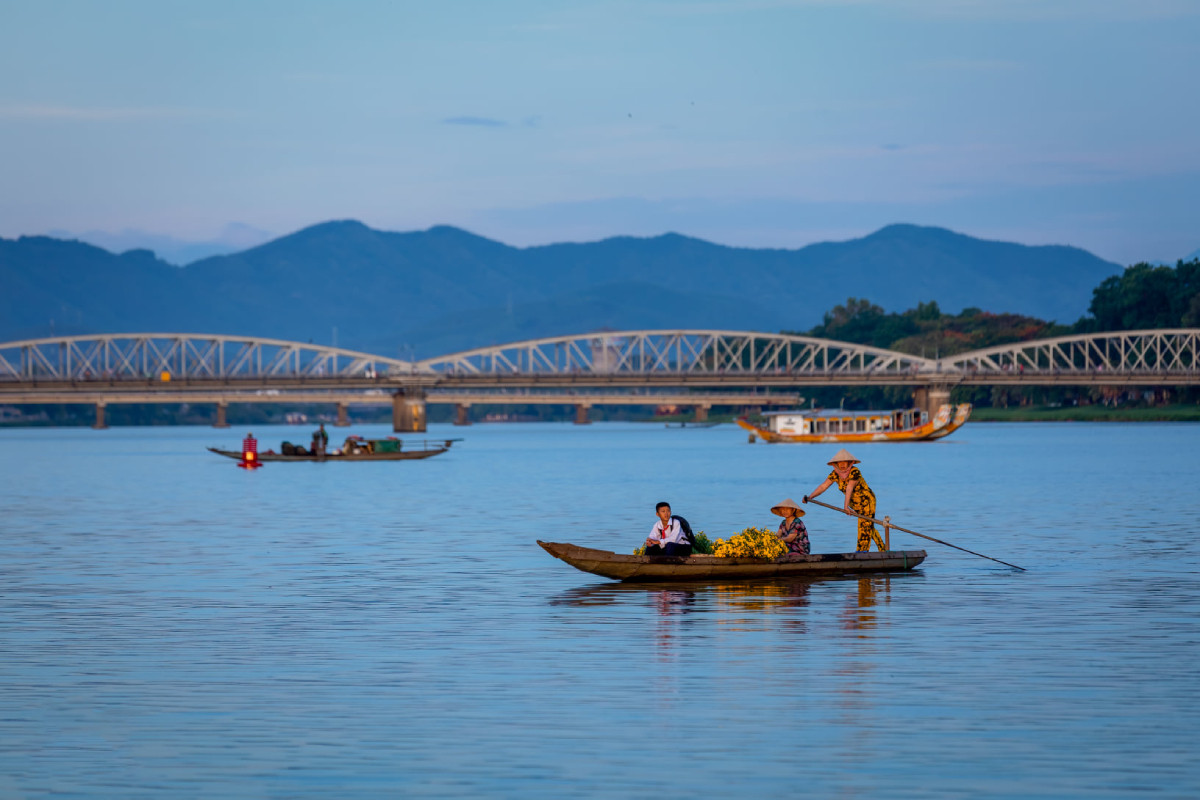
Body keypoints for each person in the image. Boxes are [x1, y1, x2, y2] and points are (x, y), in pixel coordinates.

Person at [805, 448, 885, 552]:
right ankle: (883, 549)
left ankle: (862, 552)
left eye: (845, 462)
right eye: (840, 462)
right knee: (868, 525)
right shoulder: (835, 474)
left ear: (849, 463)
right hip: (855, 503)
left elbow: (849, 487)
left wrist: (845, 506)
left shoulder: (854, 471)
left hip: (866, 501)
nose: (842, 465)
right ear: (836, 463)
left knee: (864, 526)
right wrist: (811, 497)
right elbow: (823, 486)